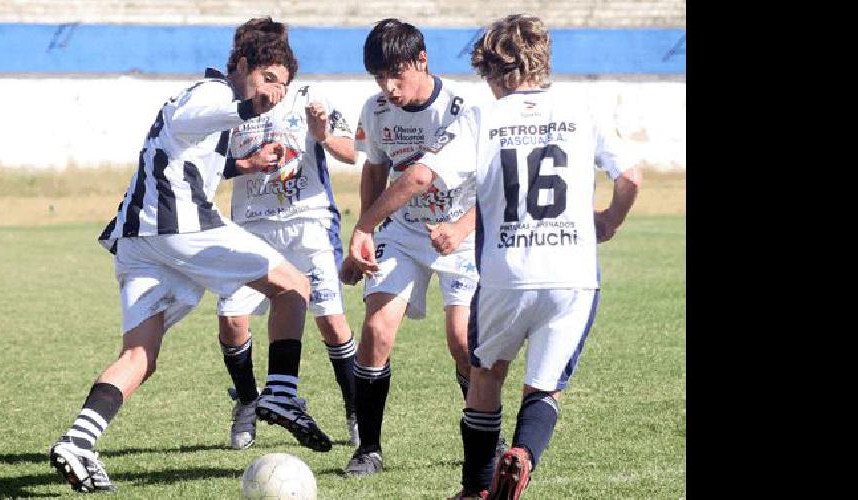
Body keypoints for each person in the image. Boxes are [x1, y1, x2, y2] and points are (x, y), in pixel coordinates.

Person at [346, 14, 642, 499]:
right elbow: (631, 176)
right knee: (543, 388)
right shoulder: (582, 107)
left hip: (503, 265)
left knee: (484, 371)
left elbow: (424, 177)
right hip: (572, 273)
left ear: (491, 70)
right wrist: (608, 220)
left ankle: (476, 486)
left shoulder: (482, 115)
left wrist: (363, 225)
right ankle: (521, 454)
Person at [47, 18, 333, 494]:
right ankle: (282, 394)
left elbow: (188, 151)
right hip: (181, 226)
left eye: (283, 86)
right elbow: (192, 120)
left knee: (140, 354)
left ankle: (78, 442)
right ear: (242, 66)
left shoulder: (211, 103)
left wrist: (246, 163)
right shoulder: (213, 95)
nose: (276, 93)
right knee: (294, 287)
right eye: (269, 79)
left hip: (139, 240)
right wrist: (249, 105)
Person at [338, 18, 493, 477]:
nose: (387, 87)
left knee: (462, 340)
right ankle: (368, 449)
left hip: (460, 235)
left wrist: (463, 229)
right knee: (376, 332)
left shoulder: (465, 109)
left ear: (421, 61)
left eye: (395, 75)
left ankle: (486, 435)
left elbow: (494, 184)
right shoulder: (377, 110)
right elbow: (374, 170)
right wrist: (366, 235)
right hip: (403, 234)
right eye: (378, 78)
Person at [215, 19, 361, 451]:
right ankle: (248, 401)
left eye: (283, 70)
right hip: (252, 227)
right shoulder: (232, 107)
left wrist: (322, 135)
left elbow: (352, 152)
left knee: (332, 324)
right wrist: (247, 163)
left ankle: (356, 414)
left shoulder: (308, 98)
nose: (278, 81)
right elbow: (208, 166)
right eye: (270, 69)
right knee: (231, 320)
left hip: (309, 223)